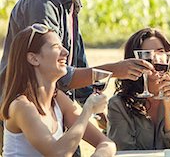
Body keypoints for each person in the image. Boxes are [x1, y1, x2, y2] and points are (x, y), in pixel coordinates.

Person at [0, 0, 153, 149]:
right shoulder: (43, 2)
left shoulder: (72, 5)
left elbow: (78, 65)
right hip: (28, 117)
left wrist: (97, 107)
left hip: (56, 107)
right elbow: (51, 70)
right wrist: (114, 70)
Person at [0, 24, 116, 156]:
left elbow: (107, 143)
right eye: (56, 47)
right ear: (33, 58)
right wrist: (88, 109)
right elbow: (58, 154)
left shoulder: (57, 99)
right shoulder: (21, 106)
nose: (65, 52)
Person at [107, 28, 170, 151]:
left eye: (160, 52)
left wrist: (168, 104)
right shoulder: (118, 105)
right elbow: (124, 151)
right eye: (147, 54)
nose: (155, 59)